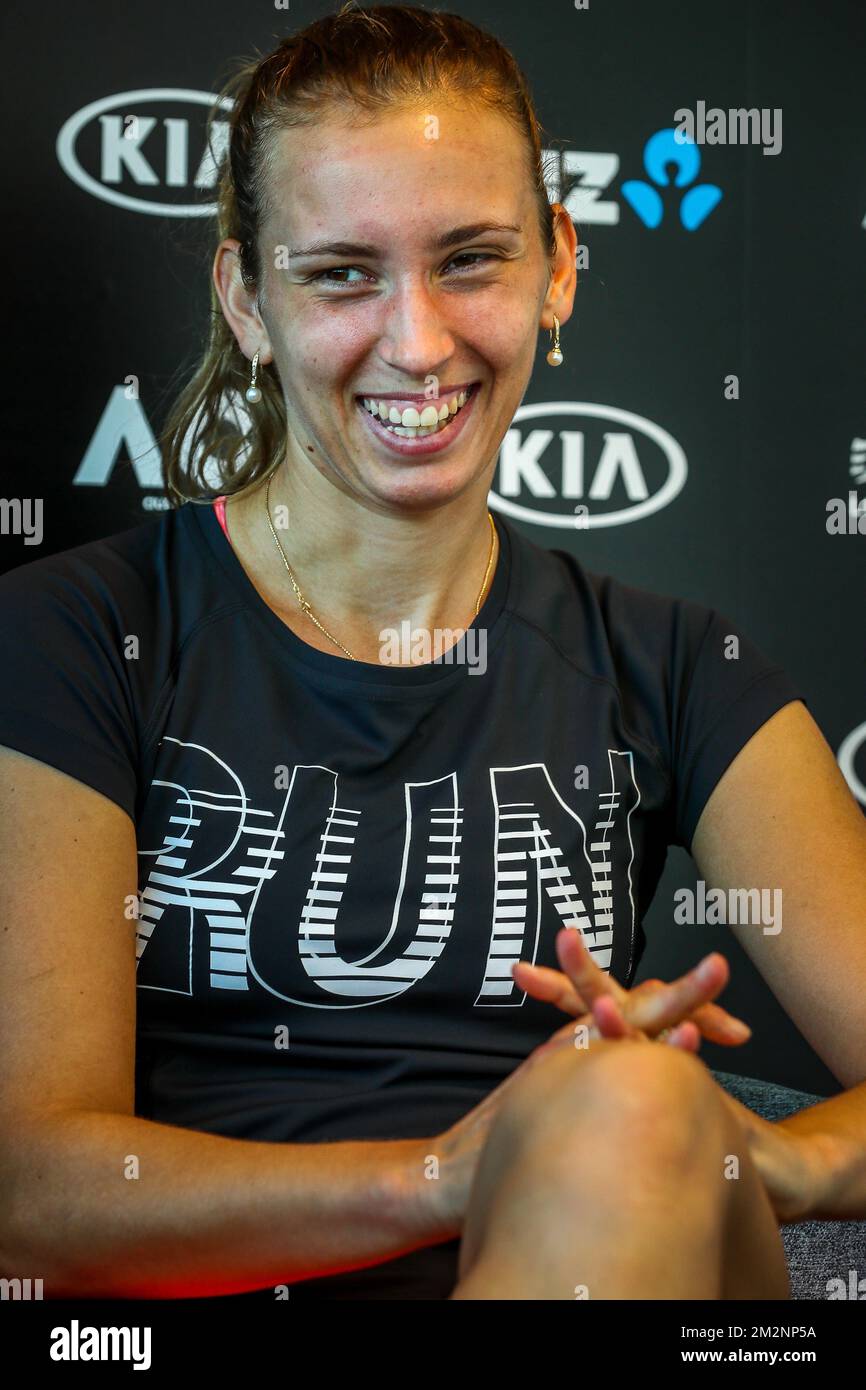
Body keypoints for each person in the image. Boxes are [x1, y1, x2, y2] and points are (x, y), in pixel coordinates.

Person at [1, 2, 865, 1302]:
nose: (416, 341)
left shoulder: (672, 663)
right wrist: (449, 1175)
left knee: (637, 1105)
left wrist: (747, 1157)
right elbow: (30, 1191)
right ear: (247, 297)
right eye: (342, 272)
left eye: (470, 259)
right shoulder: (77, 635)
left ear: (559, 266)